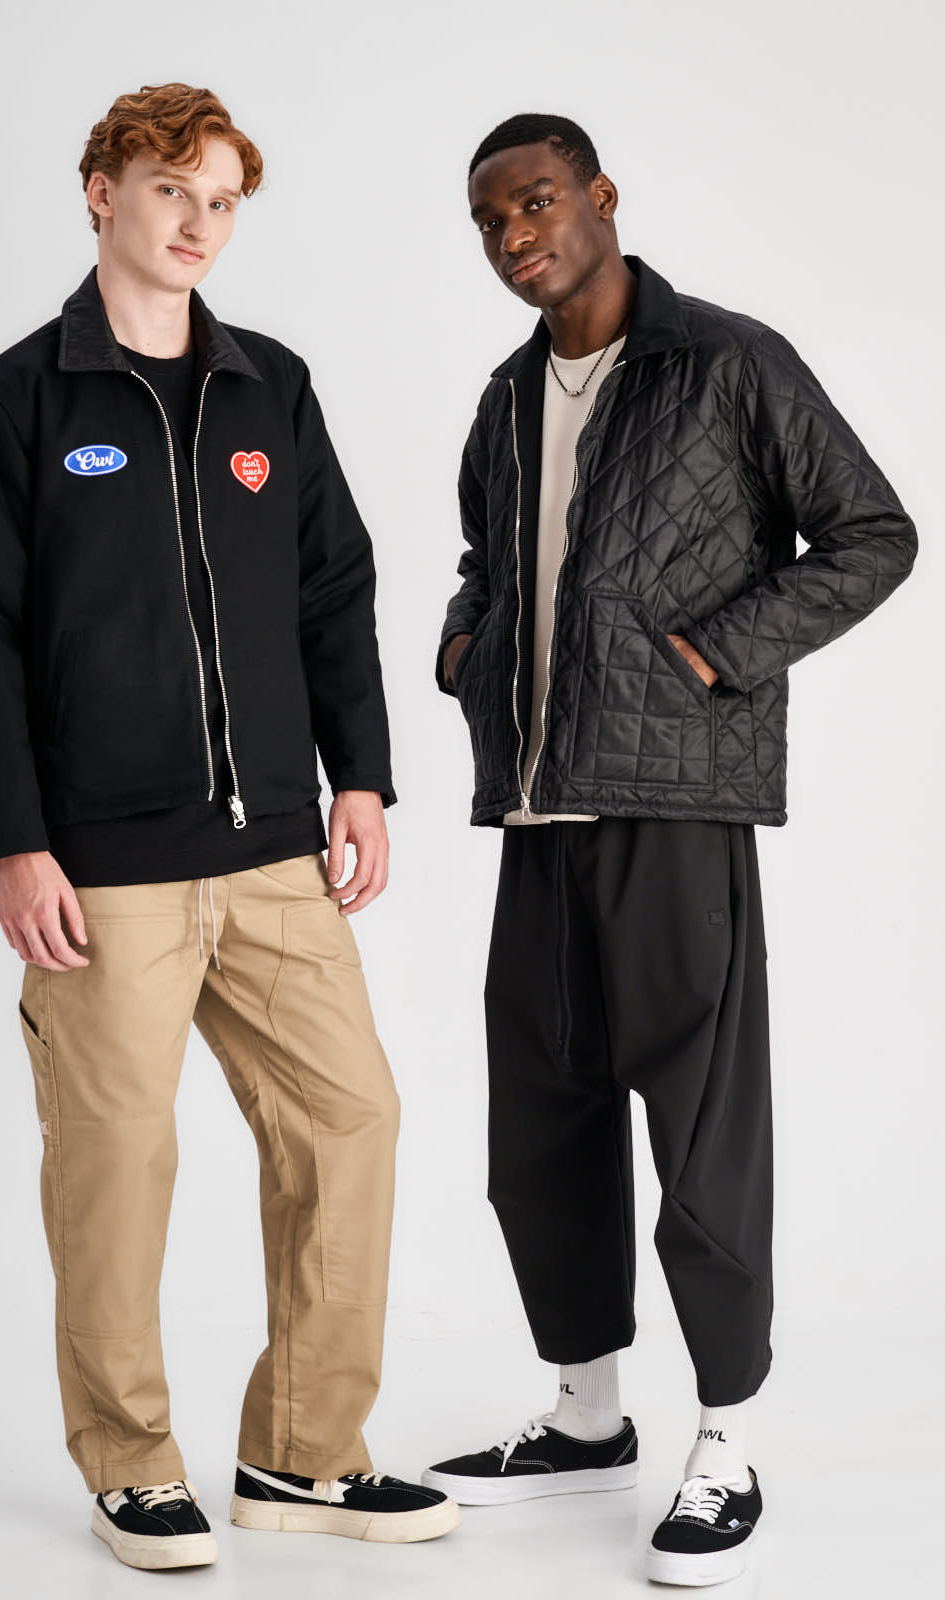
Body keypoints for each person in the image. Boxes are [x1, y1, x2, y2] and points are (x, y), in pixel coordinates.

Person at [0, 81, 458, 1571]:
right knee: (118, 1161)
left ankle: (303, 1452)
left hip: (276, 848)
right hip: (105, 866)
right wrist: (16, 840)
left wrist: (360, 778)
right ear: (101, 191)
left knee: (352, 1122)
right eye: (173, 189)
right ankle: (129, 1463)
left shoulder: (270, 388)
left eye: (223, 200)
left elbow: (333, 588)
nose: (200, 223)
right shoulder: (20, 401)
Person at [423, 112, 915, 1587]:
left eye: (537, 202)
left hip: (678, 811)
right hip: (537, 812)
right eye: (491, 220)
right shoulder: (509, 397)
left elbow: (872, 534)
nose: (516, 236)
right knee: (539, 1133)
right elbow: (488, 559)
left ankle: (727, 1439)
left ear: (602, 197)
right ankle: (586, 1417)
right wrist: (465, 645)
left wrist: (714, 655)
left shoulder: (727, 362)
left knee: (701, 1141)